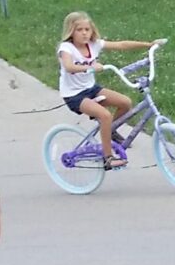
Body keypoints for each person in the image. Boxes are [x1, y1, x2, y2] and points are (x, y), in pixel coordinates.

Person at [55, 13, 158, 168]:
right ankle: (108, 158)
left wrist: (148, 45)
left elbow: (121, 45)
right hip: (74, 95)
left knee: (125, 103)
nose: (84, 33)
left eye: (87, 29)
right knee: (105, 115)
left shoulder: (94, 44)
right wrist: (89, 67)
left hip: (91, 89)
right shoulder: (66, 48)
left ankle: (109, 131)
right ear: (71, 32)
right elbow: (69, 67)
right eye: (79, 30)